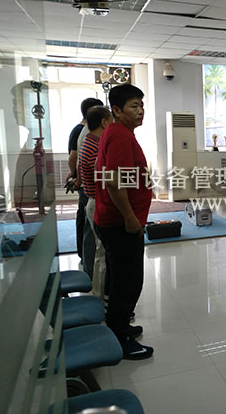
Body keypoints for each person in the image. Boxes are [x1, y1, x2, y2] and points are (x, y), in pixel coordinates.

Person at [94, 84, 154, 359]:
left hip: (113, 219)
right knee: (128, 282)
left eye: (141, 105)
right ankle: (119, 339)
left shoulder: (119, 132)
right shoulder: (119, 135)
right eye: (134, 106)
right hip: (120, 222)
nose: (140, 111)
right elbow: (114, 180)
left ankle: (119, 327)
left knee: (121, 278)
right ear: (117, 110)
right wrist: (130, 217)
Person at [78, 105, 113, 302]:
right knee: (103, 253)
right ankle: (102, 297)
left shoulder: (89, 141)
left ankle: (99, 295)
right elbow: (104, 177)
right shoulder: (95, 146)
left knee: (101, 251)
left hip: (93, 201)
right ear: (104, 122)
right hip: (97, 202)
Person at [68, 97, 103, 277]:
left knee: (85, 223)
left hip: (85, 185)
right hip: (89, 188)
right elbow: (75, 159)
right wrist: (76, 177)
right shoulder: (85, 133)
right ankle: (88, 267)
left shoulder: (85, 133)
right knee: (90, 228)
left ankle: (85, 260)